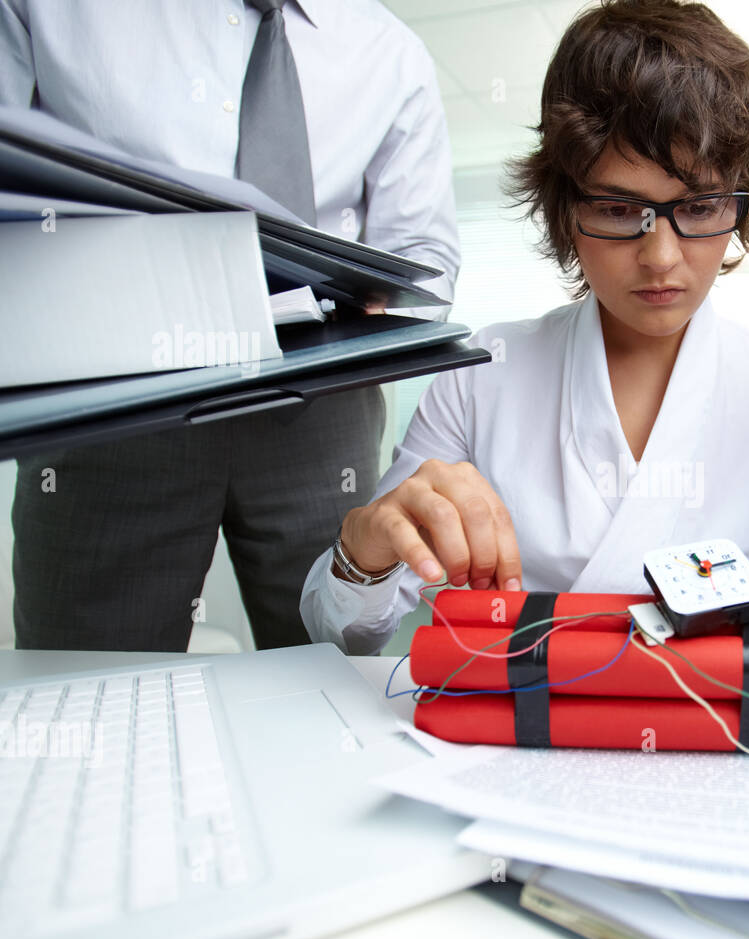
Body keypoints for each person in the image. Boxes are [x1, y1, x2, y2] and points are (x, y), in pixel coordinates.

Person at [300, 0, 749, 662]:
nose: (661, 256)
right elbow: (347, 633)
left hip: (714, 734)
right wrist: (362, 551)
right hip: (523, 738)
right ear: (565, 209)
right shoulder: (481, 371)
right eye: (620, 207)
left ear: (738, 202)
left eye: (700, 204)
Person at [2, 0, 460, 651]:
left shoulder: (393, 51)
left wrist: (374, 301)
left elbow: (426, 260)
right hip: (116, 402)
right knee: (86, 677)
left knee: (331, 669)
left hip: (317, 403)